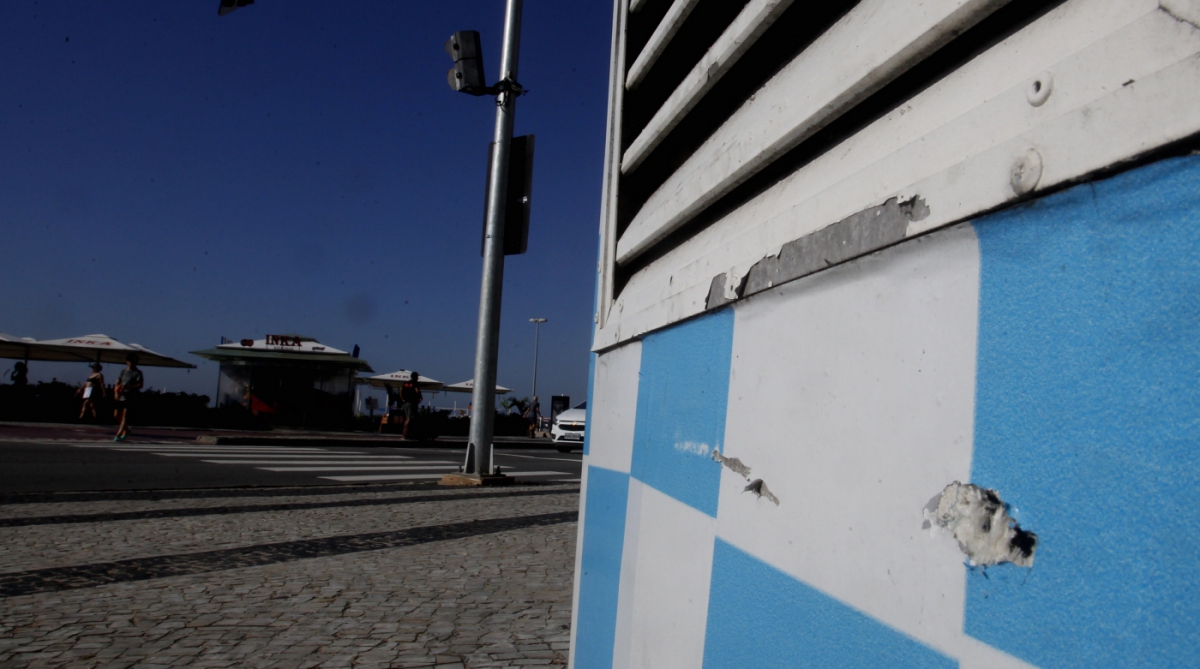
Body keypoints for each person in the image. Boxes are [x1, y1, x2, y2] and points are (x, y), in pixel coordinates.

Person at [113, 353, 143, 442]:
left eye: (133, 362)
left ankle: (119, 433)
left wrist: (129, 387)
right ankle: (126, 429)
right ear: (127, 362)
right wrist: (116, 392)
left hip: (131, 396)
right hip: (121, 395)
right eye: (130, 361)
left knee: (125, 415)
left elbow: (140, 385)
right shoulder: (123, 371)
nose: (131, 363)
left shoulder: (137, 373)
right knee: (116, 414)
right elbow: (117, 382)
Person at [398, 372, 423, 440]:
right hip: (411, 402)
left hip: (405, 403)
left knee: (407, 418)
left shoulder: (405, 383)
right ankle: (405, 435)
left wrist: (402, 399)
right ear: (415, 377)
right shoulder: (415, 383)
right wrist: (420, 397)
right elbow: (417, 390)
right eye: (417, 376)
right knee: (409, 418)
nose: (418, 377)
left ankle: (407, 433)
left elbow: (400, 390)